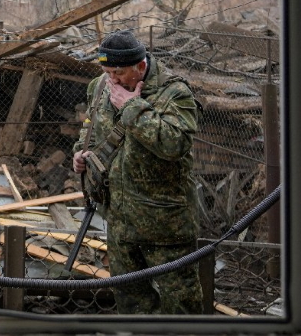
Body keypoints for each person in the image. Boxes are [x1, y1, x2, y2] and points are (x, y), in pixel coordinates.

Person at [72, 30, 205, 314]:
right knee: (131, 302)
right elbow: (90, 126)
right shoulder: (99, 86)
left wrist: (132, 107)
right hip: (119, 219)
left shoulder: (174, 92)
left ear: (141, 66)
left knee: (180, 303)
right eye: (107, 71)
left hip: (164, 222)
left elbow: (175, 144)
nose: (113, 80)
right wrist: (81, 153)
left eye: (118, 73)